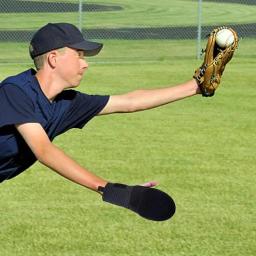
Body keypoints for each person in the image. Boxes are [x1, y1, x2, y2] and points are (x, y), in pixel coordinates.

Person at [0, 23, 202, 221]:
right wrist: (113, 191)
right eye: (78, 54)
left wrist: (196, 86)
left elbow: (129, 102)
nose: (85, 63)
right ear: (53, 58)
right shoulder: (16, 91)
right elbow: (44, 150)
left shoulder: (66, 103)